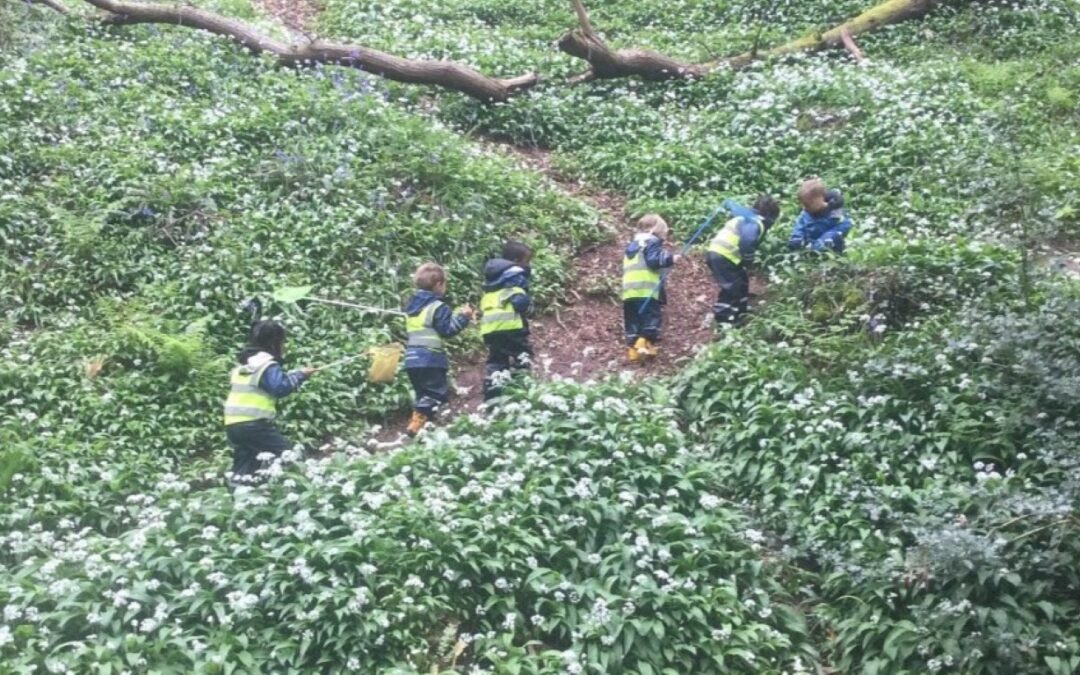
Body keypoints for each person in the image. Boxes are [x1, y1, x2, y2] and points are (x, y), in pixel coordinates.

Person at [223, 320, 315, 485]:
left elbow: (267, 383)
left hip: (233, 424)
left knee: (245, 466)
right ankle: (304, 487)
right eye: (283, 342)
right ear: (274, 342)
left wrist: (295, 374)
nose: (284, 346)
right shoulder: (267, 365)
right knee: (289, 455)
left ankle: (238, 494)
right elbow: (280, 388)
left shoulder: (246, 365)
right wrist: (300, 376)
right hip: (253, 425)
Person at [404, 262, 475, 436]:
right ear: (438, 284)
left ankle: (425, 429)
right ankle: (417, 422)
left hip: (411, 359)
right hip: (430, 358)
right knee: (436, 394)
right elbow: (447, 330)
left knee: (423, 393)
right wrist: (464, 317)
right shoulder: (438, 306)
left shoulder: (411, 307)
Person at [707, 195, 781, 325]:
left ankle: (741, 310)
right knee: (731, 286)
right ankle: (723, 317)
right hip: (723, 255)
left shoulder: (744, 217)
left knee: (742, 280)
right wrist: (748, 259)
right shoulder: (754, 222)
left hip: (723, 254)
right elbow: (747, 241)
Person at [480, 240, 534, 401]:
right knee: (522, 356)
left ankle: (492, 394)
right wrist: (529, 308)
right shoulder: (516, 276)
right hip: (512, 326)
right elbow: (520, 302)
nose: (528, 266)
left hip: (491, 328)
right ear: (516, 261)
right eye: (527, 261)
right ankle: (521, 390)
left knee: (496, 360)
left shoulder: (492, 279)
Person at [622, 214, 680, 363]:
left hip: (629, 291)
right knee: (651, 319)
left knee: (633, 321)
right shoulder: (652, 242)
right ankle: (643, 344)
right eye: (663, 233)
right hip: (646, 289)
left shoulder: (632, 245)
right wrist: (670, 259)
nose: (664, 237)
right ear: (655, 230)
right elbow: (653, 261)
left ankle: (633, 353)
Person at [788, 178, 853, 254]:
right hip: (810, 246)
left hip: (831, 247)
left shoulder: (835, 213)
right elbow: (800, 226)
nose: (806, 207)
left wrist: (829, 236)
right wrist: (797, 237)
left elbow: (846, 224)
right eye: (804, 204)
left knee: (830, 241)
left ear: (821, 198)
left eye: (809, 204)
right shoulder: (806, 213)